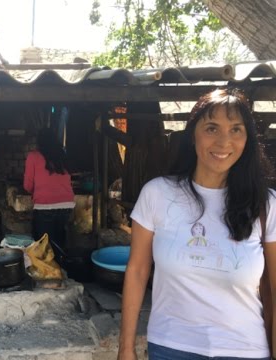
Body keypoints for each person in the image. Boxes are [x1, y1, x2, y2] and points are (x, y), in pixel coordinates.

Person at [117, 88, 276, 360]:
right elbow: (138, 271)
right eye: (212, 128)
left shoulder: (266, 204)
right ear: (192, 135)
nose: (224, 141)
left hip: (245, 350)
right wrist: (126, 349)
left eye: (236, 129)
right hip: (171, 347)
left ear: (247, 139)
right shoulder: (157, 194)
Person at [24, 127, 75, 256]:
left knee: (43, 246)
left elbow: (27, 186)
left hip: (44, 206)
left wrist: (36, 190)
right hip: (66, 206)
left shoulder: (33, 156)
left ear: (39, 142)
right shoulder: (62, 155)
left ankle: (47, 272)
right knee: (58, 243)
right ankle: (61, 270)